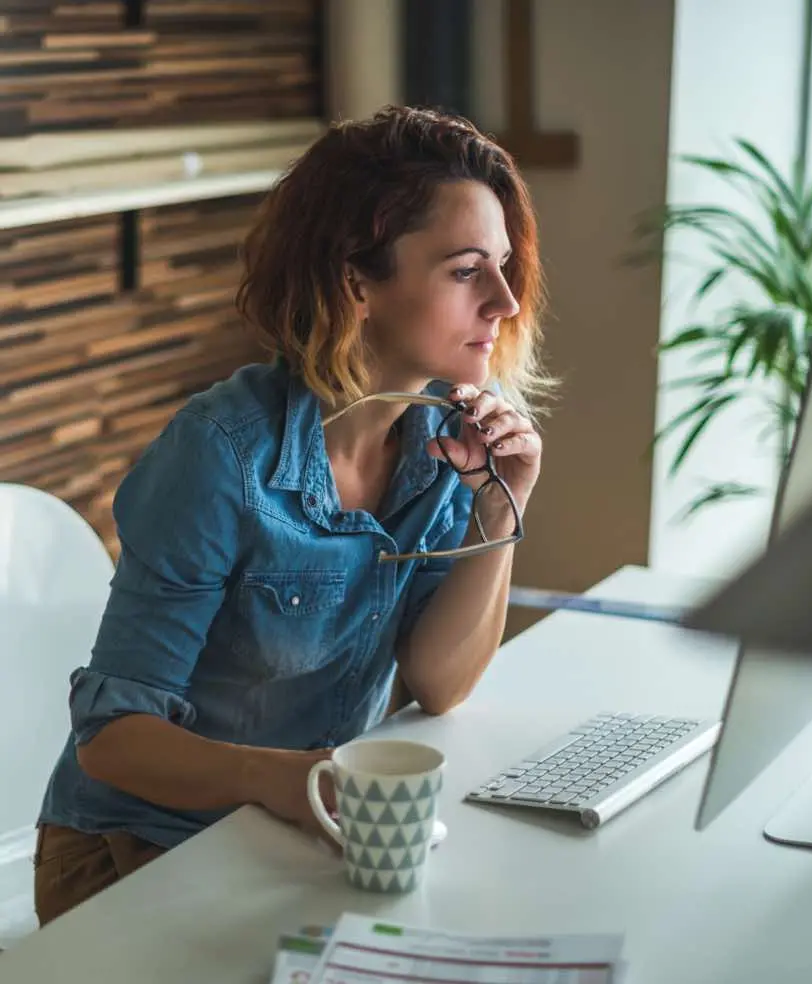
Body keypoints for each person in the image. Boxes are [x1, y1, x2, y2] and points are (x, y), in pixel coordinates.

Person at [32, 104, 554, 924]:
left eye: (503, 267)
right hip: (137, 855)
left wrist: (502, 503)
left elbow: (441, 683)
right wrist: (280, 776)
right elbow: (113, 739)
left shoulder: (440, 442)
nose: (504, 301)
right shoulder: (220, 456)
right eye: (465, 271)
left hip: (291, 831)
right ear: (358, 284)